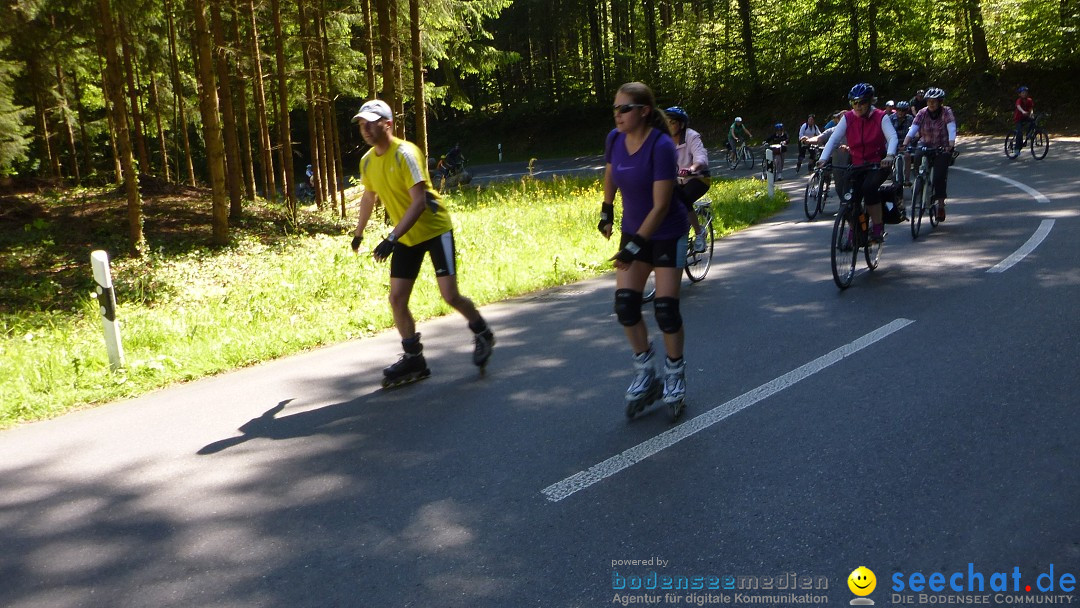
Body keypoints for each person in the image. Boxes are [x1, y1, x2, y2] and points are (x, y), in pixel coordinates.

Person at [349, 100, 495, 387]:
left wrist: (391, 238)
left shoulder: (405, 153)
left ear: (387, 124)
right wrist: (358, 232)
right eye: (361, 123)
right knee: (397, 298)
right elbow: (369, 196)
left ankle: (482, 331)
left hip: (434, 228)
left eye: (371, 122)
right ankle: (414, 358)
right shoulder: (367, 161)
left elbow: (418, 203)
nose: (365, 128)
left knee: (450, 295)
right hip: (407, 235)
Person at [598, 82, 689, 413]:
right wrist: (607, 209)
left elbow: (662, 205)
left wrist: (635, 246)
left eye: (624, 109)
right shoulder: (615, 139)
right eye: (615, 109)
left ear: (644, 111)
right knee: (625, 305)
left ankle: (675, 373)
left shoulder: (661, 146)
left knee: (665, 309)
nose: (617, 115)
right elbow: (611, 173)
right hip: (633, 232)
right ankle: (646, 372)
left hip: (666, 233)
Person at [817, 82, 898, 243]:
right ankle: (856, 227)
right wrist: (823, 159)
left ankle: (877, 227)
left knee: (869, 189)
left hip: (878, 163)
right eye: (854, 103)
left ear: (870, 102)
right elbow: (834, 139)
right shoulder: (848, 118)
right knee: (847, 196)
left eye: (862, 102)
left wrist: (889, 156)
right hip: (857, 163)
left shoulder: (880, 117)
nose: (858, 106)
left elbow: (892, 137)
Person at [902, 87, 956, 221]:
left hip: (942, 147)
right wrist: (905, 143)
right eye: (929, 101)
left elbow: (951, 127)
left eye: (934, 101)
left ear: (940, 102)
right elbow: (914, 128)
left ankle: (941, 206)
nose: (931, 104)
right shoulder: (922, 112)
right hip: (925, 144)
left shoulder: (946, 112)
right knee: (918, 160)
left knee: (939, 177)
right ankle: (920, 182)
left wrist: (951, 144)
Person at [665, 106, 710, 253]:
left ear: (681, 124)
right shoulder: (665, 140)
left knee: (683, 200)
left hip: (699, 179)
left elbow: (701, 158)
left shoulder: (692, 136)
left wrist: (691, 168)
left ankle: (699, 233)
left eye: (672, 122)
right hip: (677, 181)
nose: (668, 125)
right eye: (666, 122)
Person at [891, 101, 915, 185]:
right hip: (893, 142)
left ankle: (907, 179)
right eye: (899, 110)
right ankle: (890, 173)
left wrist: (908, 143)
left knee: (907, 156)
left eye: (903, 110)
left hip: (906, 143)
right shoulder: (891, 118)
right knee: (889, 156)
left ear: (906, 111)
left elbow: (913, 132)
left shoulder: (910, 119)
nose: (900, 112)